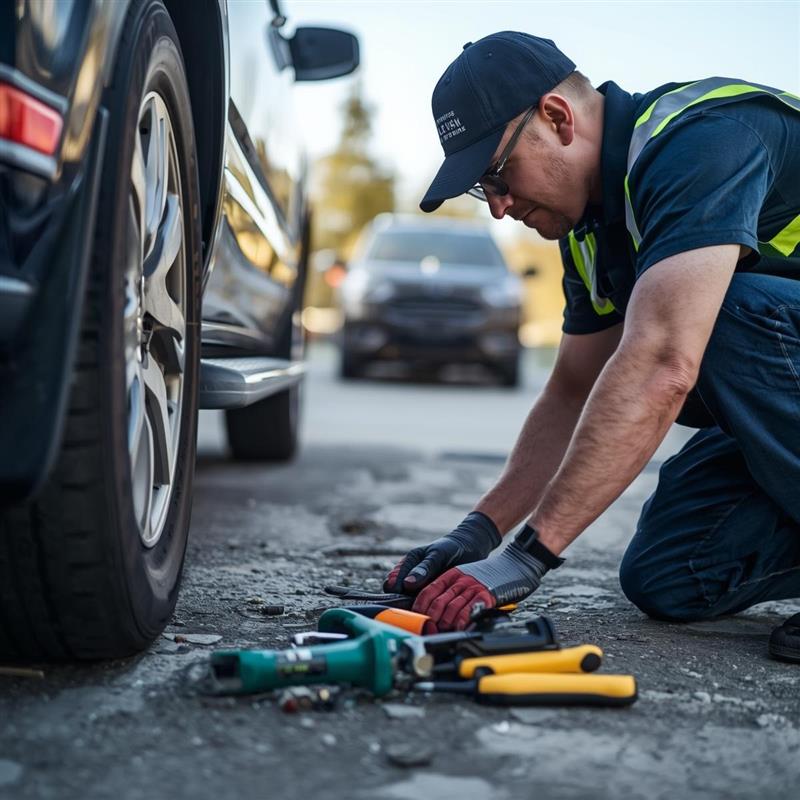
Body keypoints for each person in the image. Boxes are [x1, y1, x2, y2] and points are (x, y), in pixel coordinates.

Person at [383, 31, 800, 662]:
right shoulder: (590, 229)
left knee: (720, 316)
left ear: (557, 117)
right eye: (480, 189)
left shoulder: (701, 141)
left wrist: (528, 556)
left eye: (496, 173)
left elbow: (665, 366)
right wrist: (480, 532)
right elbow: (573, 392)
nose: (497, 207)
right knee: (673, 575)